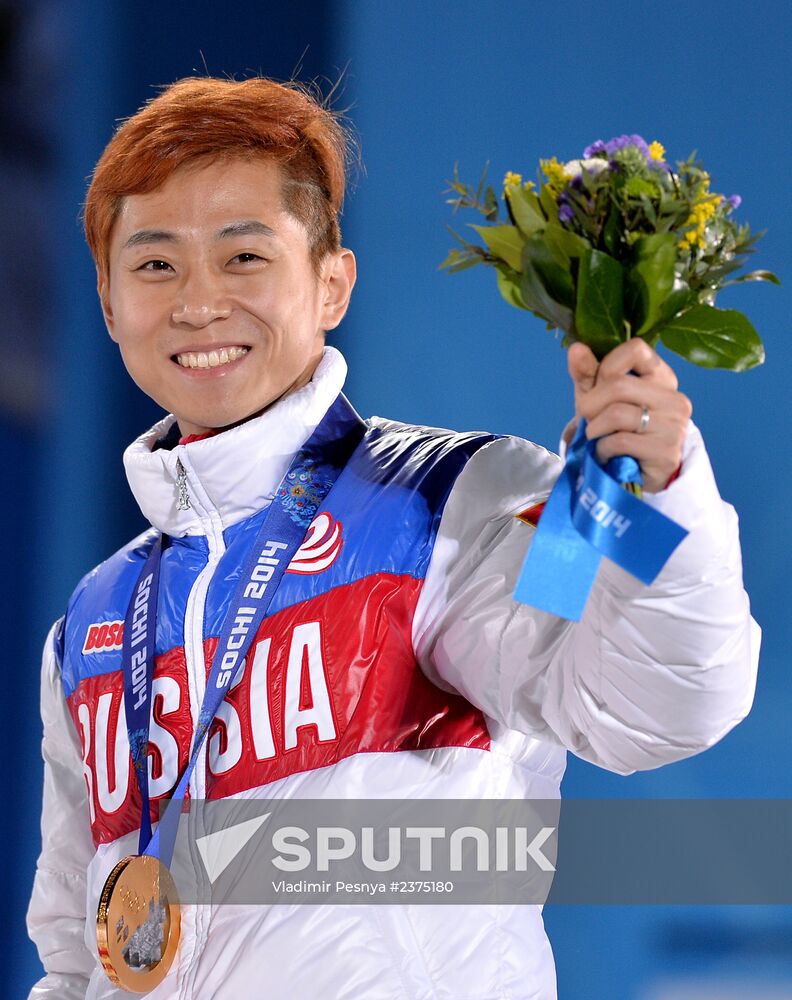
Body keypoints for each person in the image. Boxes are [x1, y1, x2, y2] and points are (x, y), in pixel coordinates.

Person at [26, 76, 758, 1000]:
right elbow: (73, 949)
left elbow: (645, 703)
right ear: (107, 301)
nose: (199, 302)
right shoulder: (94, 623)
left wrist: (651, 491)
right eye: (156, 264)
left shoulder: (466, 502)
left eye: (245, 256)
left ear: (331, 284)